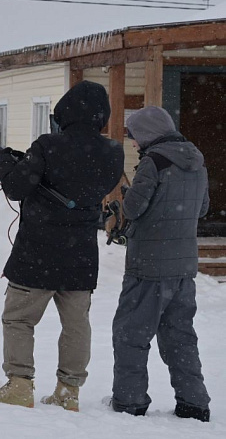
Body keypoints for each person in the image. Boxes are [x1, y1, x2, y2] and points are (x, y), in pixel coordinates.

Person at [0, 81, 124, 411]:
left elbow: (17, 187)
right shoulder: (114, 152)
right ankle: (68, 391)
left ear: (66, 111)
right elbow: (82, 182)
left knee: (18, 319)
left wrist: (6, 162)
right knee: (76, 325)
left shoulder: (48, 145)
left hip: (38, 252)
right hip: (82, 255)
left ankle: (19, 384)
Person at [109, 106, 210, 422]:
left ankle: (130, 402)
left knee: (131, 334)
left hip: (149, 266)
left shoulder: (154, 162)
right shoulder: (197, 161)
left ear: (148, 134)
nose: (134, 143)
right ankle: (194, 403)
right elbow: (203, 208)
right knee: (180, 336)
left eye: (135, 137)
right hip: (183, 267)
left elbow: (135, 209)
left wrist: (126, 195)